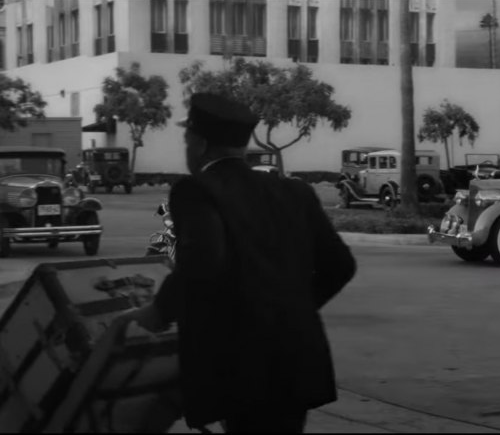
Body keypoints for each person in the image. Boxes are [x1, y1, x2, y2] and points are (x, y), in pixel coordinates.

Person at [127, 92, 357, 433]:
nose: (186, 148)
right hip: (298, 356)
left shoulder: (196, 191)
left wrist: (161, 311)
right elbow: (340, 266)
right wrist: (290, 307)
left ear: (201, 144)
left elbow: (204, 258)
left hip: (241, 365)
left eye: (186, 139)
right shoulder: (294, 192)